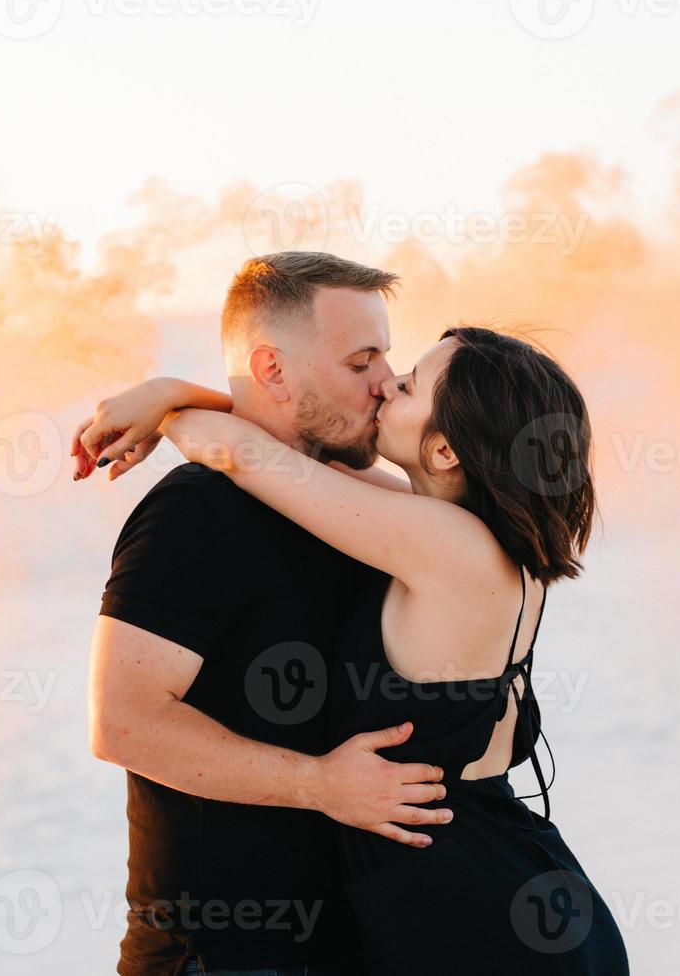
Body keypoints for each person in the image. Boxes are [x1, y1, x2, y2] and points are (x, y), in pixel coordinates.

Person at [82, 313, 629, 972]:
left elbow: (240, 454)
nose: (384, 387)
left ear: (446, 450)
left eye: (407, 386)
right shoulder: (475, 539)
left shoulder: (439, 544)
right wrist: (173, 397)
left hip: (478, 928)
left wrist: (164, 401)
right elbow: (287, 453)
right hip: (528, 891)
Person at [79, 251, 454, 976]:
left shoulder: (347, 495)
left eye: (386, 357)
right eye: (360, 362)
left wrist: (178, 397)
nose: (385, 382)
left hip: (345, 944)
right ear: (274, 370)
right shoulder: (195, 512)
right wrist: (319, 784)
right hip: (216, 954)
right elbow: (121, 721)